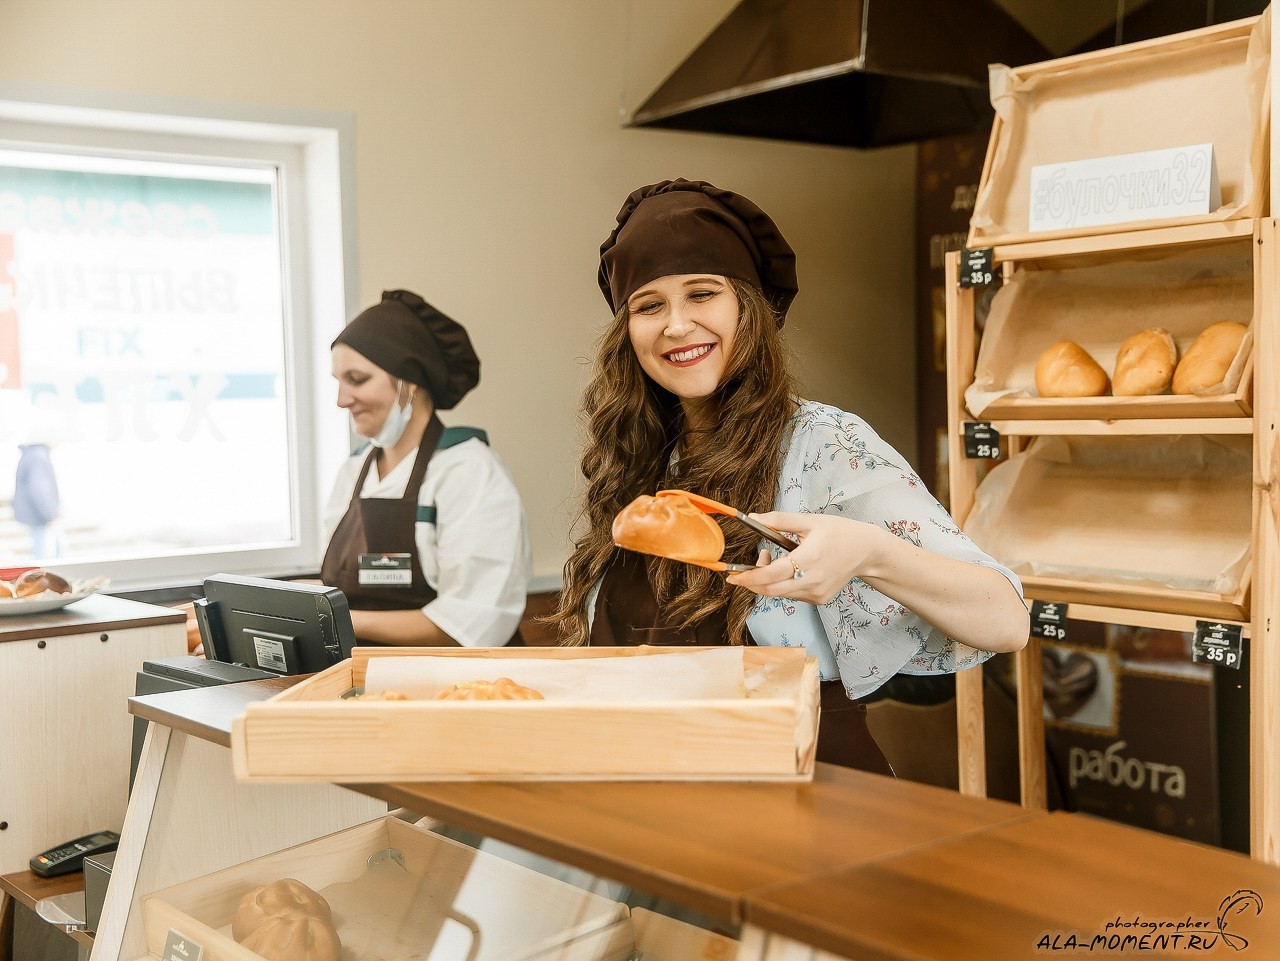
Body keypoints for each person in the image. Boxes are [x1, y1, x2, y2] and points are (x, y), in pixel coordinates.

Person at [551, 179, 1029, 773]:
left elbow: (1007, 619)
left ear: (747, 307)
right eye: (649, 305)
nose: (676, 324)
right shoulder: (637, 458)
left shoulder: (823, 444)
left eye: (702, 294)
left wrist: (870, 553)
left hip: (801, 784)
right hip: (653, 783)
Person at [322, 289, 531, 647]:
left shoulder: (467, 469)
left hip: (457, 683)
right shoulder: (354, 470)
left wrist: (341, 619)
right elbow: (339, 588)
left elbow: (471, 622)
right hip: (363, 673)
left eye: (356, 380)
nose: (341, 400)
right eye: (338, 382)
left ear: (409, 380)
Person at [13, 440, 61, 559]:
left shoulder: (30, 454)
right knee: (46, 555)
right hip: (40, 515)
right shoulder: (38, 456)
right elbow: (39, 488)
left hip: (34, 514)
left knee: (43, 550)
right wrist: (49, 515)